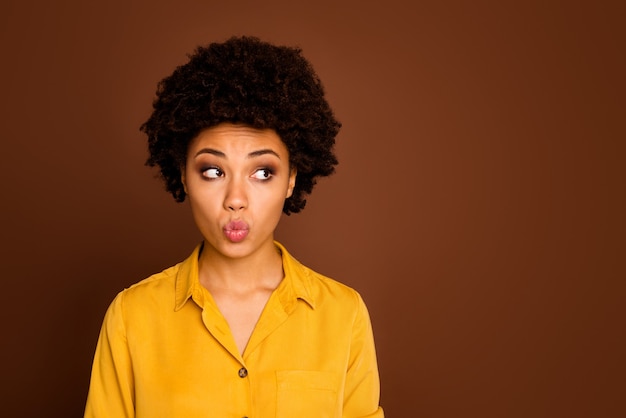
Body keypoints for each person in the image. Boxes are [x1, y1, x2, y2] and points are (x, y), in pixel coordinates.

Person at [84, 36, 383, 418]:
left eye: (263, 172)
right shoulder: (132, 317)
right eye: (213, 171)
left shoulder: (343, 315)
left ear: (291, 178)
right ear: (184, 175)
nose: (235, 198)